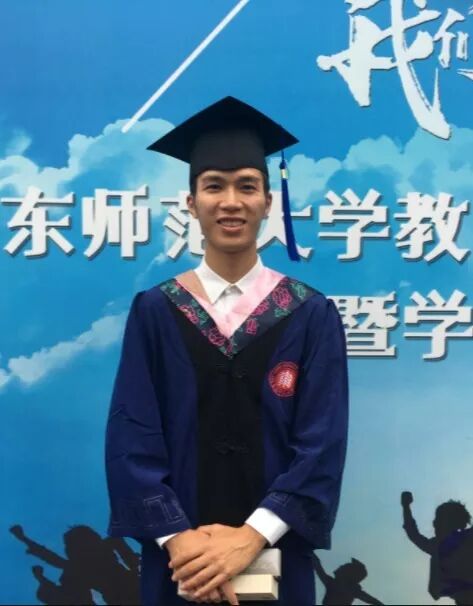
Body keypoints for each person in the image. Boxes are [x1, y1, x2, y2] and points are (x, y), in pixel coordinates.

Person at [105, 96, 349, 605]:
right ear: (191, 202)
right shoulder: (156, 310)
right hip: (180, 564)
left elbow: (322, 445)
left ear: (268, 202)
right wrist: (180, 540)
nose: (231, 201)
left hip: (277, 552)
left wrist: (252, 536)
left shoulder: (310, 313)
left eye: (247, 186)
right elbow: (132, 436)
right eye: (214, 185)